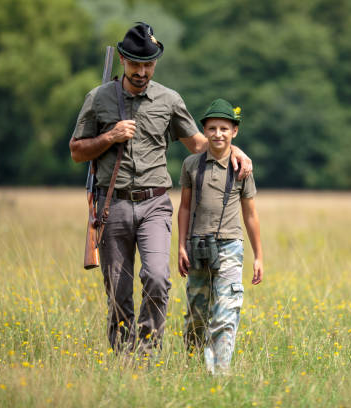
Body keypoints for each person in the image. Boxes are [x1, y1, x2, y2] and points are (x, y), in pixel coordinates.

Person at [69, 23, 252, 359]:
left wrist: (233, 150)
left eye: (149, 64)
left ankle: (147, 355)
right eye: (136, 64)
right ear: (122, 59)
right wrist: (110, 136)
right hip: (112, 205)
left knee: (156, 278)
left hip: (155, 204)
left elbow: (198, 143)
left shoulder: (169, 100)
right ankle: (124, 359)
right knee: (118, 291)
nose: (142, 71)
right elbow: (77, 151)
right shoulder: (97, 98)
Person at [177, 98, 263, 375]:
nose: (218, 134)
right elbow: (185, 208)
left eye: (224, 128)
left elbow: (250, 215)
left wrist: (259, 256)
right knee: (196, 317)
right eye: (212, 128)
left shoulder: (243, 169)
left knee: (226, 313)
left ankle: (220, 374)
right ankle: (193, 369)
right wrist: (181, 246)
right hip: (197, 246)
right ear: (204, 131)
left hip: (230, 246)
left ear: (234, 131)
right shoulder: (191, 165)